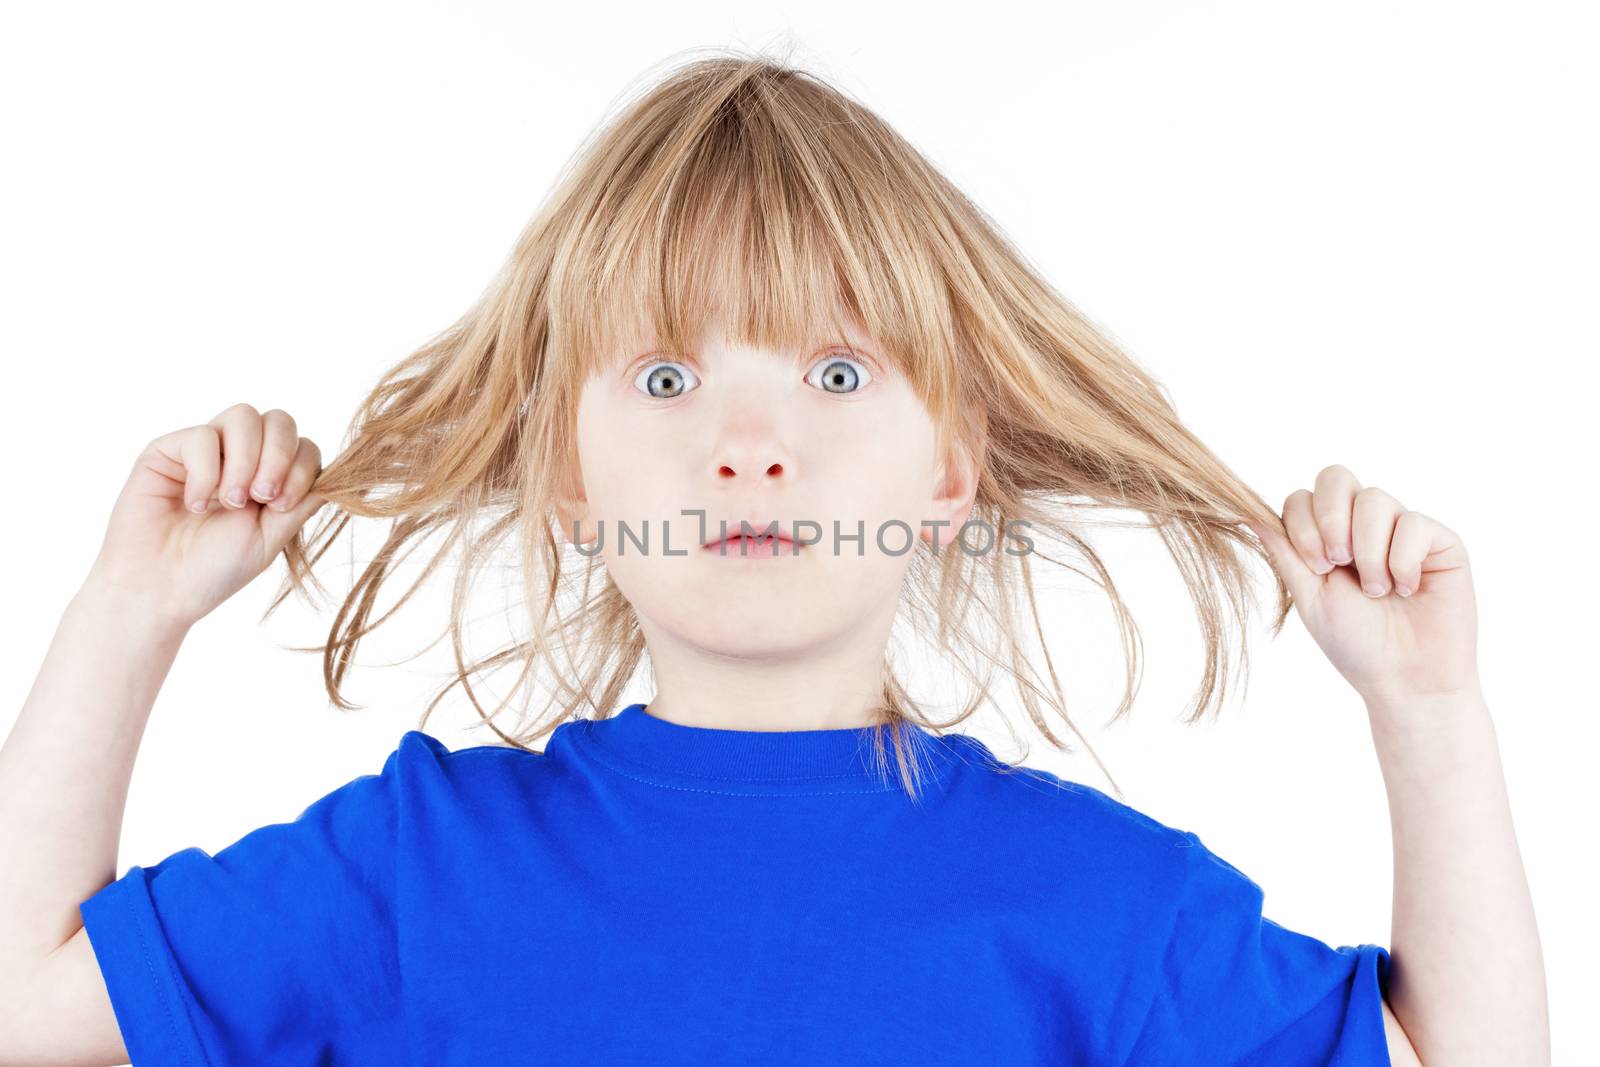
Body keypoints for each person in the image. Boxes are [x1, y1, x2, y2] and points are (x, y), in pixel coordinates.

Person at [0, 48, 1546, 1066]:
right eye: (667, 379)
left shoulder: (1100, 905)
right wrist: (125, 613)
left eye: (837, 373)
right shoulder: (418, 872)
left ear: (949, 472)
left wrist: (1429, 718)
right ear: (571, 480)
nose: (748, 444)